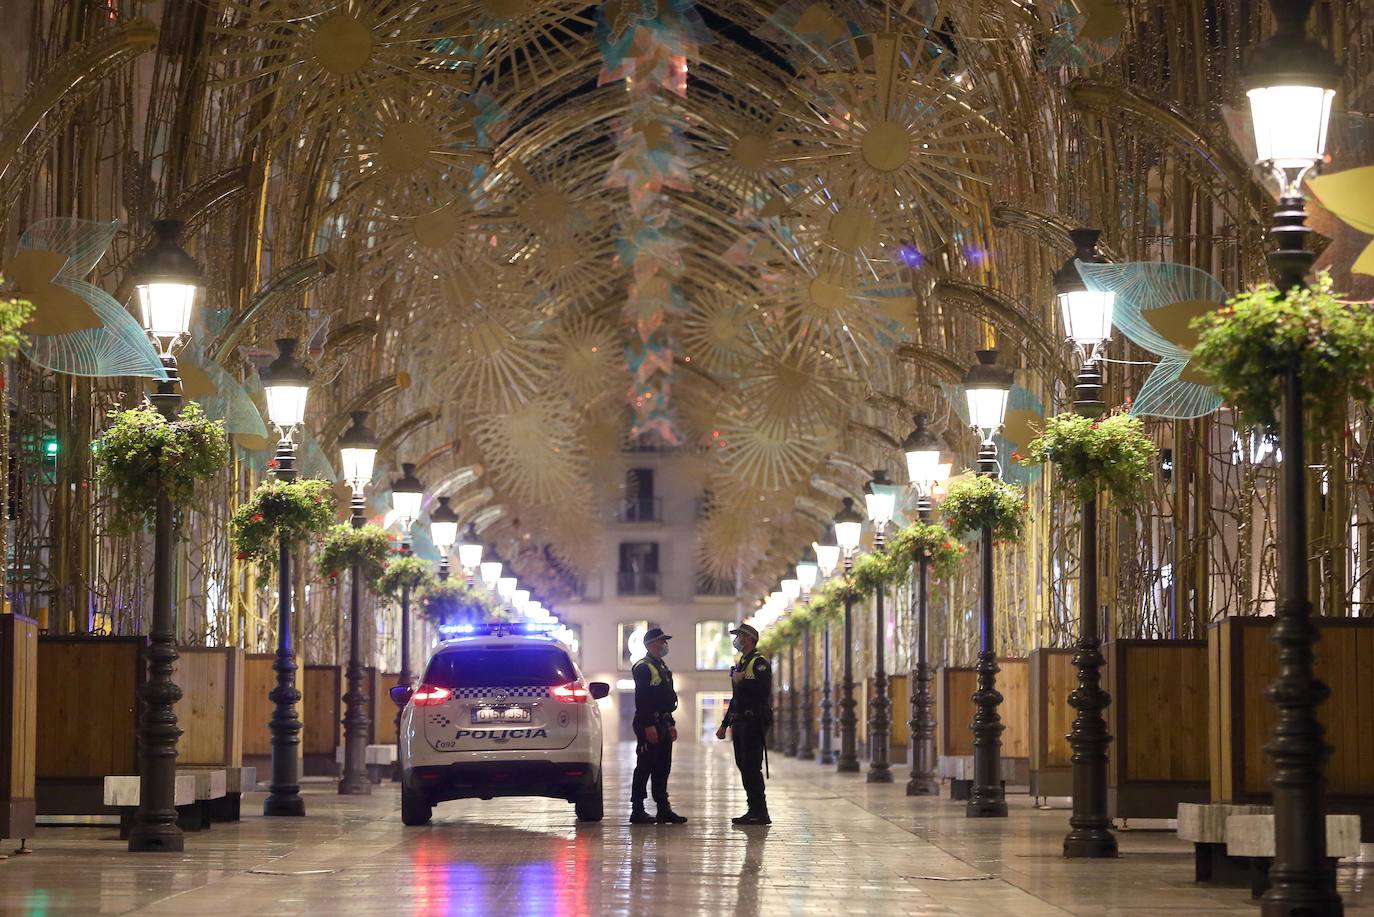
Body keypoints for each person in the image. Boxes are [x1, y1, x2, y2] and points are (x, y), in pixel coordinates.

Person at [629, 626, 687, 825]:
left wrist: (670, 723)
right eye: (662, 641)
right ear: (651, 644)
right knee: (645, 766)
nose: (665, 644)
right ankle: (637, 809)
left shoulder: (661, 666)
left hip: (662, 721)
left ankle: (663, 809)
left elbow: (666, 698)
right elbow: (642, 698)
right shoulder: (643, 666)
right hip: (648, 722)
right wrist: (647, 725)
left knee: (663, 767)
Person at [716, 623, 772, 825]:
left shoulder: (759, 663)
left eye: (739, 635)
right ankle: (753, 809)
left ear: (749, 639)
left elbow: (763, 691)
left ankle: (760, 811)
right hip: (740, 721)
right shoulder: (742, 663)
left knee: (751, 766)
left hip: (753, 720)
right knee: (743, 765)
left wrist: (743, 681)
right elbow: (736, 698)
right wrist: (724, 723)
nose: (736, 639)